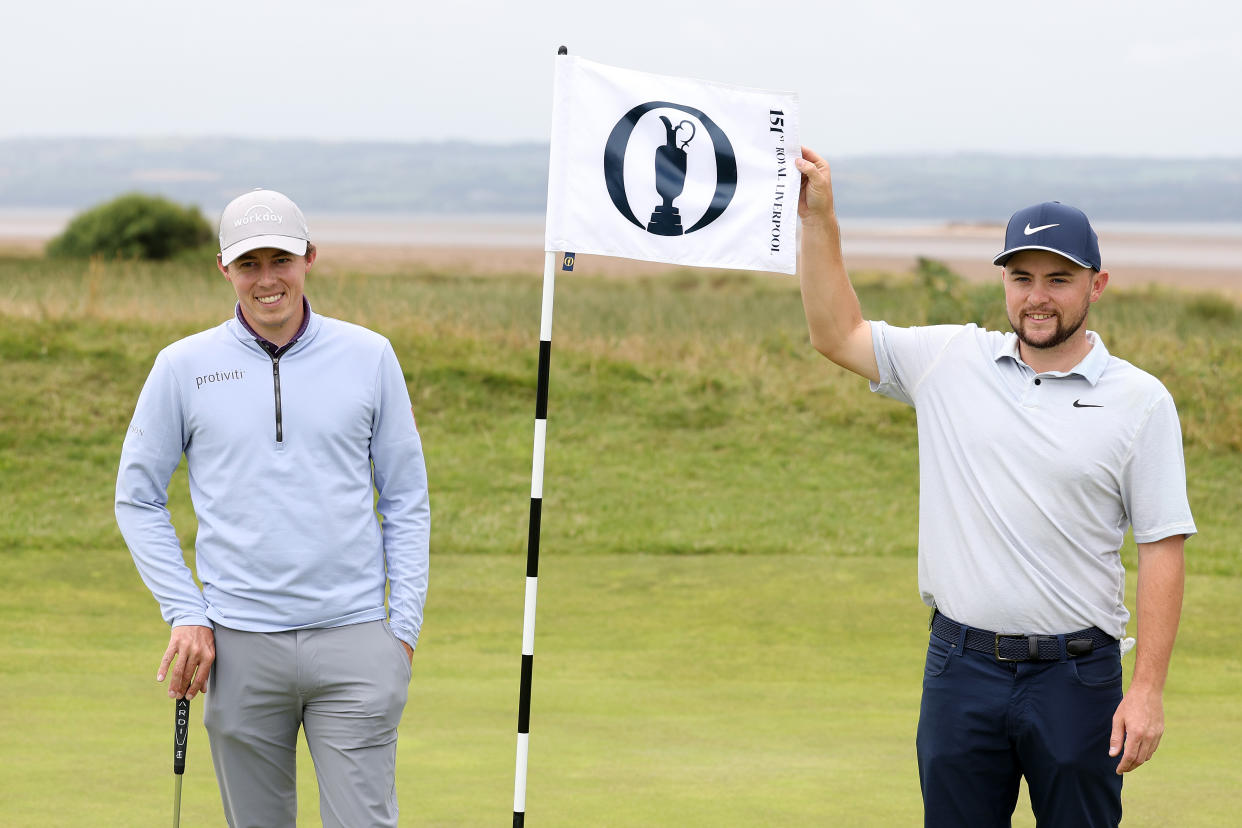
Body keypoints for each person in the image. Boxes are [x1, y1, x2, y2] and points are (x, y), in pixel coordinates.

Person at [793, 147, 1195, 828]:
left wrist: (1148, 689)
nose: (1036, 296)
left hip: (1078, 676)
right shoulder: (950, 360)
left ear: (1095, 285)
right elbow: (836, 333)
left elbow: (1162, 545)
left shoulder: (1142, 401)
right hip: (960, 668)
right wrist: (819, 220)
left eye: (1058, 279)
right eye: (1021, 276)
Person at [115, 188, 430, 828]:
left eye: (280, 259)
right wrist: (185, 610)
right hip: (237, 645)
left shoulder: (370, 357)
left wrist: (402, 632)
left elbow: (404, 496)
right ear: (225, 270)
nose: (267, 280)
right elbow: (137, 496)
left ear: (309, 257)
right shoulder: (183, 367)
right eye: (249, 263)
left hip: (356, 639)